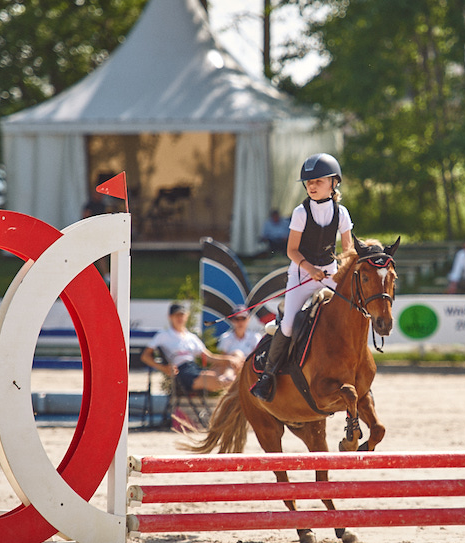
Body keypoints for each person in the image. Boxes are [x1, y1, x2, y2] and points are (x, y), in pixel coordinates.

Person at [249, 153, 353, 401]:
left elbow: (348, 250)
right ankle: (267, 377)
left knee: (350, 310)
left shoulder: (342, 213)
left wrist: (340, 272)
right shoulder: (300, 212)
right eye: (308, 182)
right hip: (300, 276)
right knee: (286, 325)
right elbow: (291, 251)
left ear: (333, 183)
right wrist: (310, 269)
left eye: (317, 181)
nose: (312, 186)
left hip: (329, 273)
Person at [140, 303, 241, 394]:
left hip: (195, 368)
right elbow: (145, 356)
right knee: (222, 380)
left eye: (182, 315)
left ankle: (232, 380)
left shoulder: (191, 337)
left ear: (186, 316)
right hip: (182, 372)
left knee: (232, 360)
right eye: (177, 315)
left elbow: (208, 357)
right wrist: (163, 368)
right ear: (170, 317)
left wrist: (229, 360)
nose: (180, 318)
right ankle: (233, 386)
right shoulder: (163, 335)